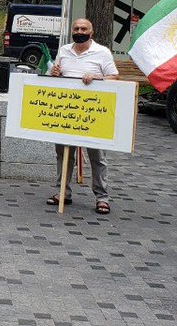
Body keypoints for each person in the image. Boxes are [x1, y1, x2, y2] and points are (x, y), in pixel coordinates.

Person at [46, 18, 119, 214]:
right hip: (67, 112)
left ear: (91, 32)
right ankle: (63, 193)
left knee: (97, 156)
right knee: (63, 154)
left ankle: (102, 197)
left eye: (84, 28)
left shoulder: (102, 52)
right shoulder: (64, 50)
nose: (80, 31)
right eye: (76, 28)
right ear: (72, 30)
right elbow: (55, 77)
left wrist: (98, 77)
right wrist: (53, 72)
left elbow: (115, 77)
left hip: (92, 113)